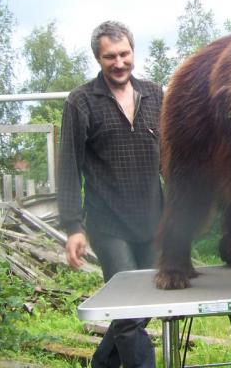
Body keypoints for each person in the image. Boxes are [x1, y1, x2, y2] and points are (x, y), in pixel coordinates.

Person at [57, 20, 163, 368]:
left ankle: (102, 363)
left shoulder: (155, 95)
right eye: (110, 57)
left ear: (133, 52)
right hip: (108, 225)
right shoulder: (81, 102)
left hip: (154, 222)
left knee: (141, 307)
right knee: (131, 313)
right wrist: (73, 225)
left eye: (124, 54)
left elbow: (172, 157)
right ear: (98, 59)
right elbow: (68, 166)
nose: (119, 63)